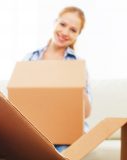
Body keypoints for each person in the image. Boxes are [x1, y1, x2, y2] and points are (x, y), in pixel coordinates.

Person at [24, 6, 92, 152]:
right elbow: (18, 100)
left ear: (78, 35)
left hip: (66, 133)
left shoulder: (76, 64)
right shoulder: (31, 58)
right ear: (55, 22)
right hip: (35, 129)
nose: (65, 32)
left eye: (73, 30)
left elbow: (86, 113)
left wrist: (81, 87)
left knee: (59, 154)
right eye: (62, 24)